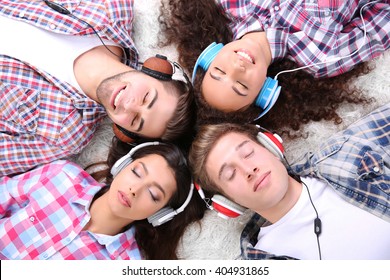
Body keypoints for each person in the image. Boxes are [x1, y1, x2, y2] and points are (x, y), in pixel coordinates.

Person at [0, 0, 195, 176]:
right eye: (145, 97)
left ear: (122, 131)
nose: (129, 106)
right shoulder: (111, 8)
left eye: (135, 120)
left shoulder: (64, 135)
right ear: (154, 69)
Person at [188, 102, 390, 259]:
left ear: (272, 147)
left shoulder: (343, 153)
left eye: (248, 153)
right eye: (230, 174)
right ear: (229, 204)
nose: (248, 169)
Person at [160, 0, 389, 135]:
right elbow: (382, 20)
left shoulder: (230, 4)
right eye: (241, 86)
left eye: (219, 71)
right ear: (266, 89)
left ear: (211, 55)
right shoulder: (322, 59)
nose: (237, 68)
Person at [0, 139, 205, 260]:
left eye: (153, 195)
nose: (135, 189)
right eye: (137, 172)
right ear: (122, 164)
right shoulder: (61, 176)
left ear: (160, 214)